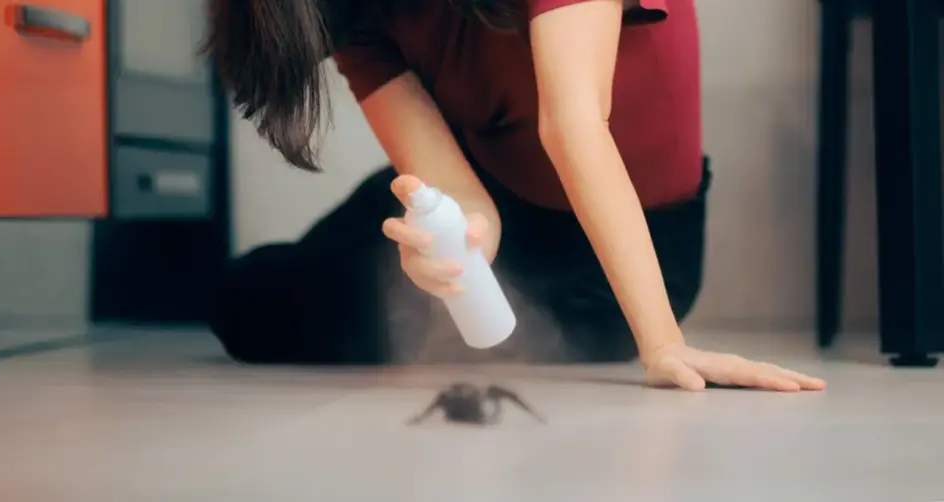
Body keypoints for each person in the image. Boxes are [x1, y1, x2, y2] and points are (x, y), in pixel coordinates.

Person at [204, 0, 827, 391]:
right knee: (247, 297)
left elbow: (573, 125)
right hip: (496, 195)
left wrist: (663, 344)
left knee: (255, 304)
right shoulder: (358, 17)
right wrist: (453, 248)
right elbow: (459, 197)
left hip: (621, 264)